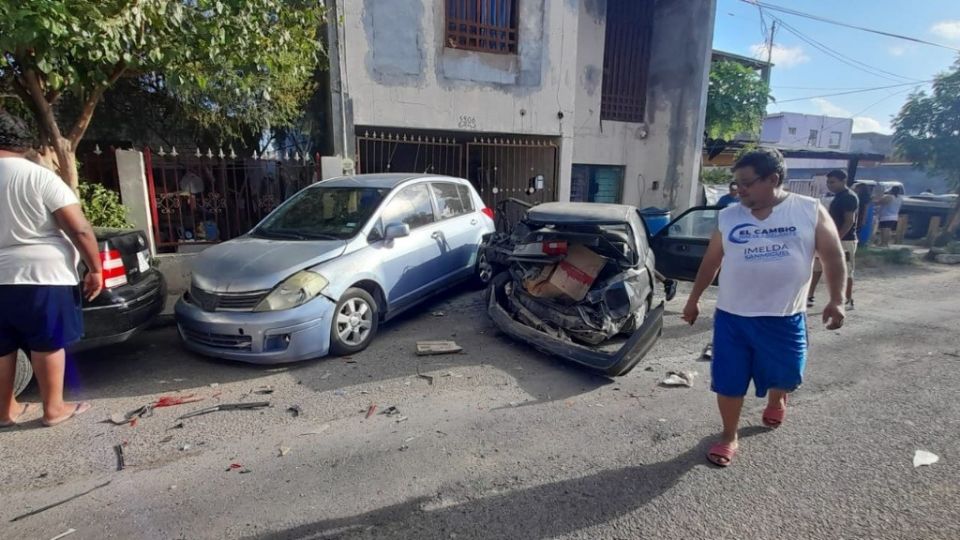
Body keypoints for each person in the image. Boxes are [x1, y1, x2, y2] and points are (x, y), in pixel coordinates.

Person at [681, 147, 846, 468]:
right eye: (736, 184)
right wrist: (693, 299)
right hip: (733, 317)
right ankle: (729, 436)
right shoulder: (729, 215)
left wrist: (836, 299)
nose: (738, 190)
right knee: (729, 380)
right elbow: (712, 260)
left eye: (746, 183)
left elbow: (833, 255)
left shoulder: (808, 210)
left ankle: (777, 397)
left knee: (786, 375)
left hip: (784, 317)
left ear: (773, 179)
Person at [0, 110, 102, 428]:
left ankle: (5, 411)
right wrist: (95, 268)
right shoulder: (37, 176)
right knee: (47, 342)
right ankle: (53, 408)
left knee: (2, 347)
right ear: (21, 141)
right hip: (43, 274)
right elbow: (79, 229)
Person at [808, 170, 858, 310]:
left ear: (843, 181)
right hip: (830, 239)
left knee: (846, 270)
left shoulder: (849, 197)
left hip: (844, 240)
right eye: (828, 182)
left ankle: (847, 300)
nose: (830, 185)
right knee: (817, 266)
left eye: (833, 182)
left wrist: (837, 238)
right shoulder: (837, 197)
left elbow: (849, 221)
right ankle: (809, 296)